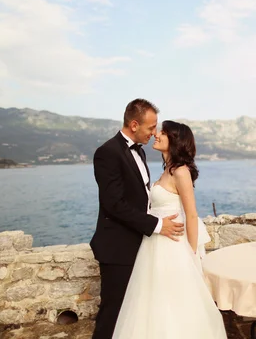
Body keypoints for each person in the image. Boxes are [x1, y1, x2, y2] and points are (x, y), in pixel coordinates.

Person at [112, 120, 227, 338]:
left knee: (174, 301)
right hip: (154, 244)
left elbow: (191, 215)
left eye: (162, 133)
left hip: (172, 246)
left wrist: (192, 254)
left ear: (174, 140)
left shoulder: (181, 172)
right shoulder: (167, 170)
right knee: (153, 302)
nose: (156, 134)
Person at [90, 99, 185, 339]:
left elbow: (141, 199)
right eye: (151, 128)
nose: (154, 133)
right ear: (134, 124)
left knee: (135, 313)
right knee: (113, 312)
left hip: (140, 244)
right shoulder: (107, 153)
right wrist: (158, 224)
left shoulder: (140, 152)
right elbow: (114, 205)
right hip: (118, 248)